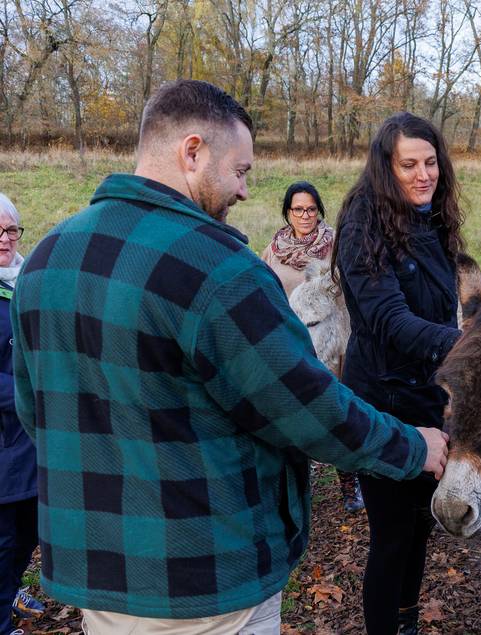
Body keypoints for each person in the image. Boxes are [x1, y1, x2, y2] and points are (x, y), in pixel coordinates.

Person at [10, 81, 448, 635]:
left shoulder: (45, 259)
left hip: (101, 581)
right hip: (209, 583)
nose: (243, 191)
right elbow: (305, 408)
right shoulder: (218, 269)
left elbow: (37, 413)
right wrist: (412, 446)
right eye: (240, 171)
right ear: (192, 152)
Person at [331, 112, 464, 635]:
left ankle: (406, 622)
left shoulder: (432, 217)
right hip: (382, 402)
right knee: (390, 535)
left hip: (428, 393)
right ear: (385, 167)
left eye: (430, 162)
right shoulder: (363, 225)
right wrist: (467, 346)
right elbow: (390, 320)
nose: (423, 174)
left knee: (420, 524)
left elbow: (441, 308)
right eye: (409, 165)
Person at [261, 181, 364, 513]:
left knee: (338, 412)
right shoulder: (274, 250)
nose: (305, 215)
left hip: (332, 345)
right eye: (298, 209)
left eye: (310, 209)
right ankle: (294, 484)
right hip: (288, 345)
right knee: (292, 415)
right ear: (288, 212)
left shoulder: (335, 245)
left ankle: (349, 483)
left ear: (319, 210)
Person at [0, 194, 43, 635]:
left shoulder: (28, 280)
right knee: (3, 540)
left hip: (31, 441)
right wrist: (32, 389)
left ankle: (9, 591)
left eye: (11, 229)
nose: (5, 239)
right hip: (4, 444)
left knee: (29, 532)